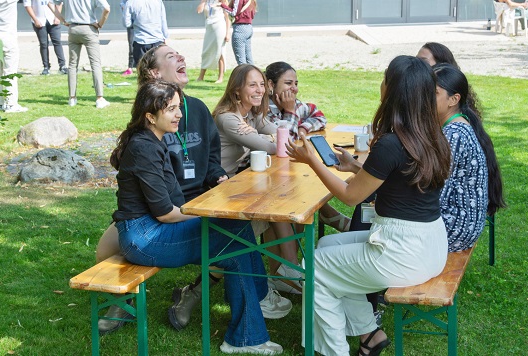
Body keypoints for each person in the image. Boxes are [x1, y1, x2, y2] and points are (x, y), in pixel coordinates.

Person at [98, 45, 291, 334]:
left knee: (230, 232)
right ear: (154, 74)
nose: (182, 58)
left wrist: (217, 178)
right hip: (160, 209)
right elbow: (155, 197)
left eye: (177, 108)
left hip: (193, 198)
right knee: (105, 251)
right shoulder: (147, 132)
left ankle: (196, 295)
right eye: (171, 57)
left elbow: (213, 157)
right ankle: (124, 300)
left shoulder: (197, 109)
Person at [286, 55, 451, 356]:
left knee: (314, 265)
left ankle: (333, 351)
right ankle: (368, 333)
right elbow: (399, 181)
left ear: (393, 91)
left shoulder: (391, 142)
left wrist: (312, 160)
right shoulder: (431, 135)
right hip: (430, 244)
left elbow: (349, 197)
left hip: (401, 251)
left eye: (385, 78)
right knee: (325, 245)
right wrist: (354, 167)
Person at [212, 63, 303, 294]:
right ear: (236, 90)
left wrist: (284, 135)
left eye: (262, 84)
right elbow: (272, 146)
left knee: (279, 200)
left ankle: (283, 273)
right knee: (277, 204)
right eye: (252, 85)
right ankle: (291, 273)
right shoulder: (228, 118)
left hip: (241, 180)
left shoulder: (251, 114)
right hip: (221, 187)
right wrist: (281, 137)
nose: (260, 90)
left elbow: (281, 133)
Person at [264, 61, 352, 233]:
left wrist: (303, 127)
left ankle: (328, 215)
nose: (295, 89)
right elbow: (284, 142)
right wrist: (290, 113)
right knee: (303, 182)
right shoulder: (265, 109)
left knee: (310, 175)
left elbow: (319, 115)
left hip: (286, 169)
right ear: (270, 85)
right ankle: (330, 216)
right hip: (270, 176)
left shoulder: (296, 104)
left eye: (296, 83)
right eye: (288, 83)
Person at [433, 63, 507, 251]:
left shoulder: (454, 134)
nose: (424, 99)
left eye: (433, 94)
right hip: (460, 226)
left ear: (453, 99)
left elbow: (437, 193)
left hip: (453, 230)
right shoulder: (456, 126)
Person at [50, 0, 111, 109]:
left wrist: (63, 20)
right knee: (95, 64)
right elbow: (107, 8)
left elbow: (50, 4)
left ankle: (72, 98)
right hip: (89, 28)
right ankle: (99, 98)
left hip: (73, 28)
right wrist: (100, 24)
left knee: (72, 65)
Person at [24, 0, 67, 75]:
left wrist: (57, 17)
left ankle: (62, 66)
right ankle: (46, 67)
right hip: (39, 20)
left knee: (57, 42)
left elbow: (59, 3)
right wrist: (35, 20)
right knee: (43, 44)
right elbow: (27, 5)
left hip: (53, 19)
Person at [123, 0, 168, 68]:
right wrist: (165, 36)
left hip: (140, 41)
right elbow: (163, 21)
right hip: (157, 40)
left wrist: (135, 23)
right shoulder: (158, 2)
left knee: (143, 72)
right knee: (158, 70)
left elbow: (126, 23)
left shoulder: (130, 2)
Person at [196, 0, 230, 83]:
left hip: (219, 27)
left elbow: (227, 18)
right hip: (209, 28)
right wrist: (203, 2)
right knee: (206, 51)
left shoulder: (223, 2)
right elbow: (199, 11)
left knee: (220, 51)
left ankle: (220, 77)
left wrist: (228, 33)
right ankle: (201, 76)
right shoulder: (207, 2)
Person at [220, 0, 256, 65]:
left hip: (240, 29)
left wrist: (222, 5)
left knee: (241, 61)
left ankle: (245, 75)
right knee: (249, 59)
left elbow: (234, 13)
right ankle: (254, 74)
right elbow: (253, 14)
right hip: (249, 27)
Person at [120, 0, 135, 75]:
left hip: (142, 21)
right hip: (131, 22)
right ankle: (130, 67)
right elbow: (122, 3)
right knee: (131, 44)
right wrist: (124, 7)